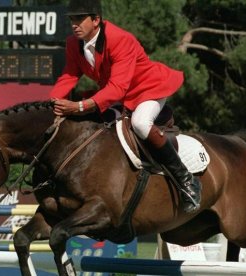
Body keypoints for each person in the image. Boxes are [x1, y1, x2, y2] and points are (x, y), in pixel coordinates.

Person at [50, 0, 201, 213]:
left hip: (147, 89)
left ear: (96, 20)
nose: (74, 24)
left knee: (140, 124)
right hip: (116, 94)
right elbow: (70, 75)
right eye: (72, 19)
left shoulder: (120, 39)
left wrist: (81, 106)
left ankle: (186, 180)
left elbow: (118, 87)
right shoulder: (73, 43)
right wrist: (53, 103)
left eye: (79, 19)